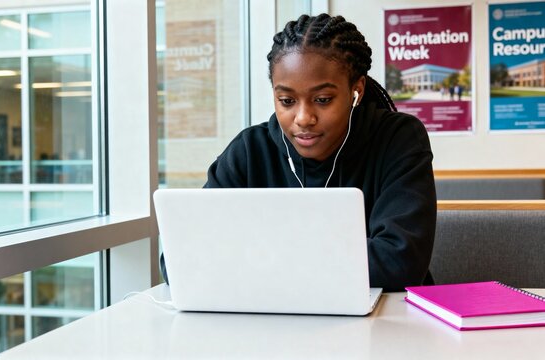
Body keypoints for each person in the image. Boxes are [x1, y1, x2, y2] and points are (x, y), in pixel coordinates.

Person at [161, 13, 436, 292]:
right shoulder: (250, 150)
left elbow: (400, 263)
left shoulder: (398, 138)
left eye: (322, 100)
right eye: (287, 101)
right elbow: (179, 258)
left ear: (357, 90)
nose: (303, 118)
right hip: (273, 321)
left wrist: (258, 256)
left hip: (388, 321)